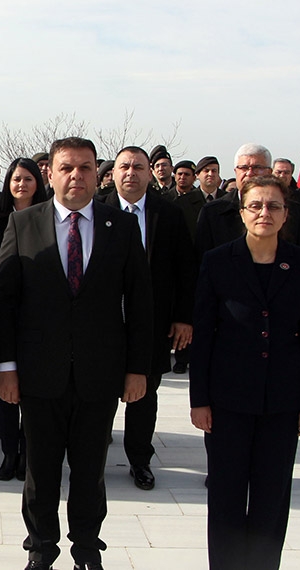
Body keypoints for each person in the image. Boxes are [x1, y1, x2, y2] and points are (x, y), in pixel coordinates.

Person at [0, 137, 153, 570]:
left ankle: (86, 548)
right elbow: (3, 301)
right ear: (50, 173)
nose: (76, 176)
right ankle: (41, 550)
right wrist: (5, 367)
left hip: (100, 375)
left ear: (97, 172)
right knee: (40, 473)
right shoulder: (24, 225)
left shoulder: (120, 226)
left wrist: (138, 369)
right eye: (66, 168)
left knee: (89, 471)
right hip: (39, 375)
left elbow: (140, 304)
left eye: (84, 168)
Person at [190, 174, 300, 570]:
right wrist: (200, 400)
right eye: (256, 206)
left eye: (274, 206)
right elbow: (204, 335)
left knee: (271, 499)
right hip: (227, 400)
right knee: (227, 497)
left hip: (282, 401)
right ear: (243, 213)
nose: (264, 213)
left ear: (286, 215)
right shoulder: (217, 261)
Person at [101, 146, 196, 491]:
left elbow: (186, 270)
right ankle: (94, 457)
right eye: (124, 166)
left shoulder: (167, 214)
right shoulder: (97, 210)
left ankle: (140, 459)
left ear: (150, 172)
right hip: (103, 323)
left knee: (145, 392)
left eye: (138, 167)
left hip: (152, 322)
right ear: (113, 172)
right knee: (99, 392)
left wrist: (184, 317)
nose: (130, 173)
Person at [0, 157, 44, 480]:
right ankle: (8, 452)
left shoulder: (48, 220)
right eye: (16, 179)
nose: (21, 185)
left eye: (28, 179)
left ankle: (28, 453)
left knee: (31, 388)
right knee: (1, 387)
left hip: (36, 319)